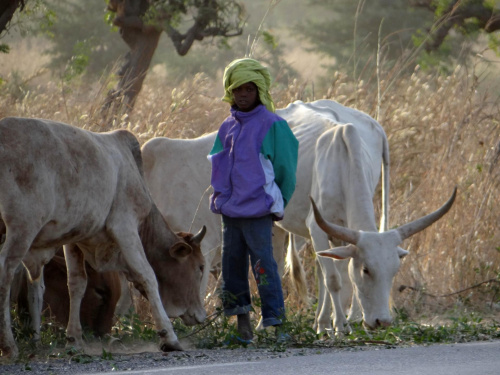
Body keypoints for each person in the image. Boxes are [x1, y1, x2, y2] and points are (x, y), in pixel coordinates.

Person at [208, 58, 299, 343]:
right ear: (230, 92)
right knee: (232, 267)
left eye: (249, 89)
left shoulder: (273, 125)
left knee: (264, 267)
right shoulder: (226, 127)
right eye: (237, 90)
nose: (243, 95)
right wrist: (220, 200)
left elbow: (286, 170)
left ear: (259, 90)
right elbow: (218, 166)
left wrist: (276, 201)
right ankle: (243, 328)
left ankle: (277, 325)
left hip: (259, 211)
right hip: (230, 212)